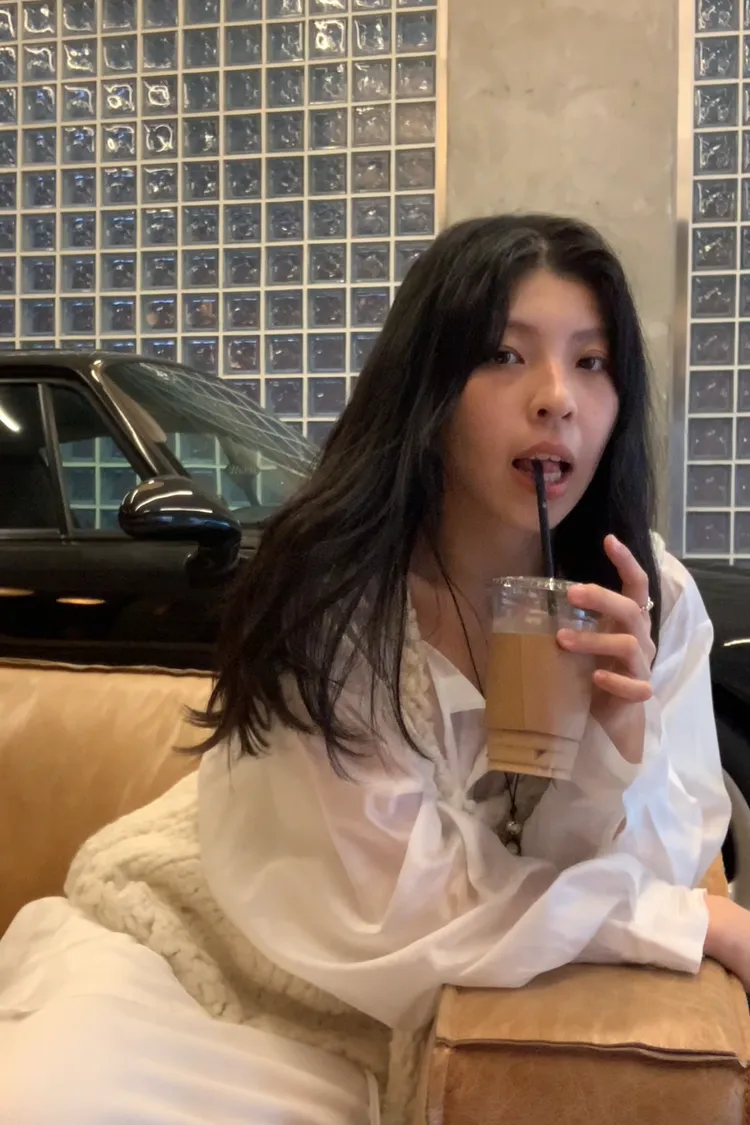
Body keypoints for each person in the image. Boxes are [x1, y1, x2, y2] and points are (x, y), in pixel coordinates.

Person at [1, 213, 749, 1125]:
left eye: (592, 361)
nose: (558, 397)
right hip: (217, 958)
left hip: (429, 1005)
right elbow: (392, 904)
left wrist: (616, 742)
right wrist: (691, 923)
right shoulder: (342, 596)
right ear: (427, 387)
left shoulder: (649, 600)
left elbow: (647, 863)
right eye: (505, 355)